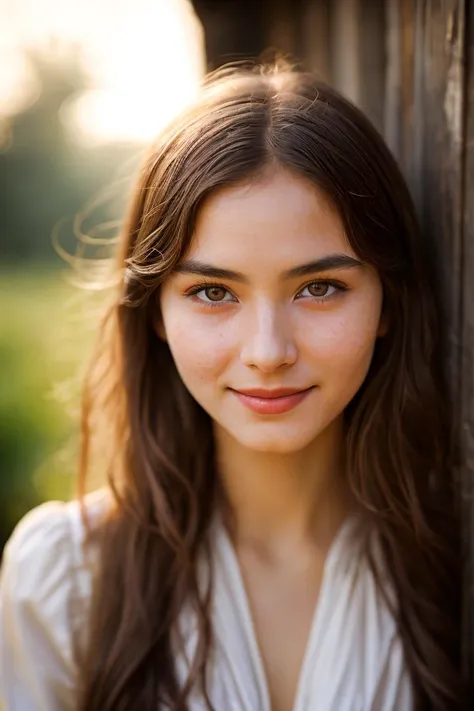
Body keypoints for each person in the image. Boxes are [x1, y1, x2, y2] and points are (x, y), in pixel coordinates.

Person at [0, 60, 466, 711]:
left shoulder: (455, 563)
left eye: (320, 287)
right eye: (214, 291)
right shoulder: (66, 578)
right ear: (156, 313)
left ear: (388, 303)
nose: (268, 352)